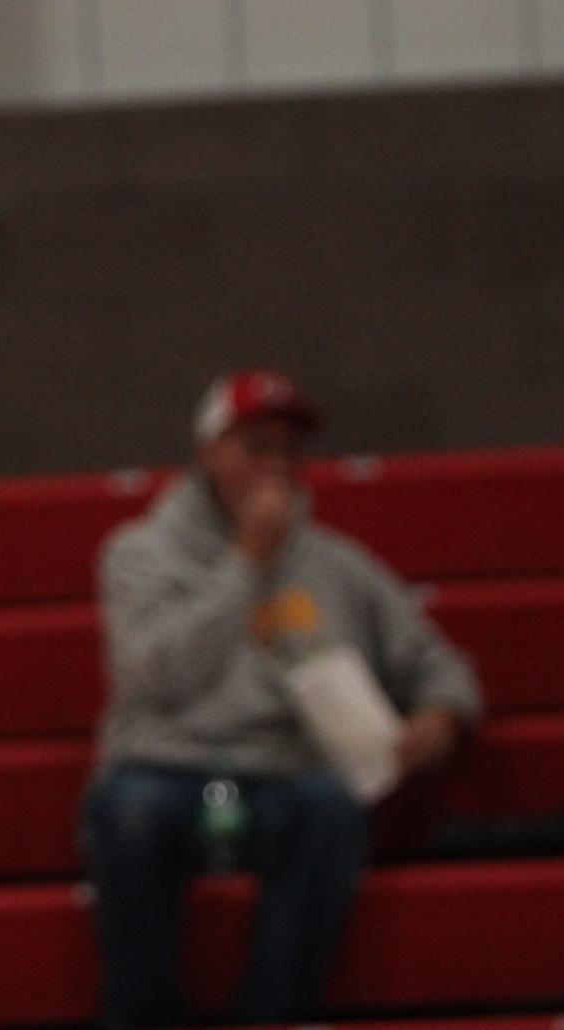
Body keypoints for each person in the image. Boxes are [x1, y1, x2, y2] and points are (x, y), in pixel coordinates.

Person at [82, 369, 483, 1029]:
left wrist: (438, 719)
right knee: (128, 813)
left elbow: (440, 665)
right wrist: (247, 563)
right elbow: (155, 676)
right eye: (254, 448)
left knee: (330, 811)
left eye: (287, 451)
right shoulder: (138, 554)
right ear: (208, 452)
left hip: (283, 779)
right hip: (164, 770)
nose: (274, 467)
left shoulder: (338, 565)